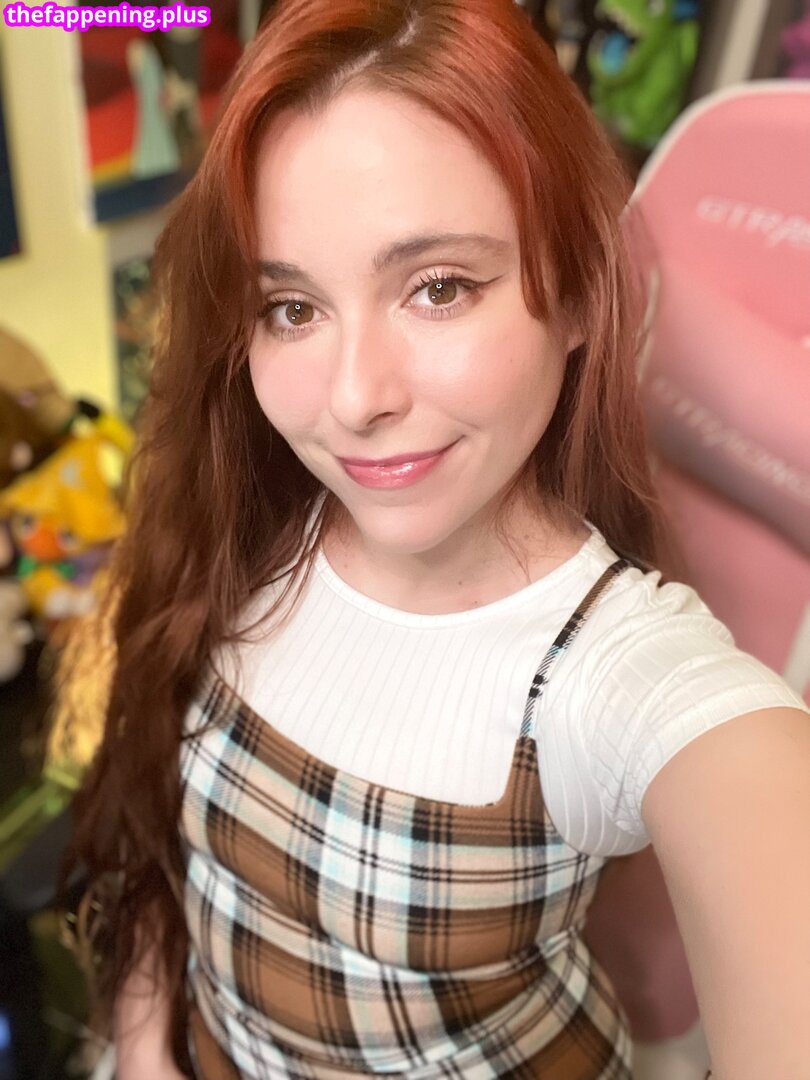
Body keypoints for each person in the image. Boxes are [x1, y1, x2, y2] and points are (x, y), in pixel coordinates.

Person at [61, 0, 810, 1077]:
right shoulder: (251, 520)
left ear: (577, 295)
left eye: (439, 288)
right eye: (292, 308)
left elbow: (747, 779)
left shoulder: (615, 679)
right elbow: (165, 852)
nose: (354, 398)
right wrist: (146, 1045)